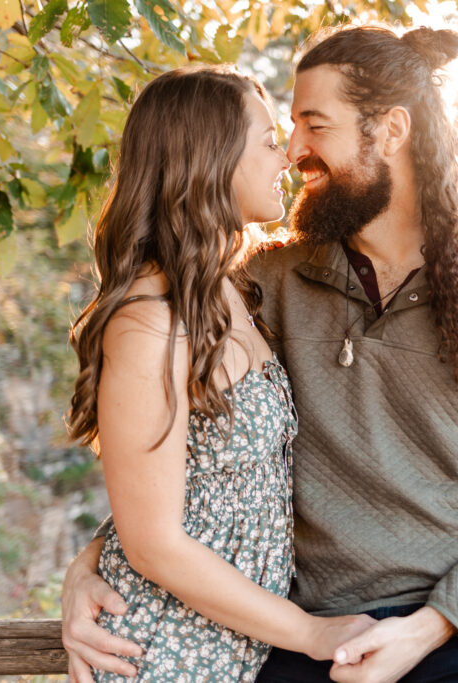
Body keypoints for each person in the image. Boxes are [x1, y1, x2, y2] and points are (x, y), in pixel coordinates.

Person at [62, 26, 458, 683]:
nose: (293, 151)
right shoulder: (265, 283)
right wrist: (93, 561)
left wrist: (434, 624)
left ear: (390, 132)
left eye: (313, 125)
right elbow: (191, 454)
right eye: (283, 130)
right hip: (307, 631)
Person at [64, 64, 376, 683]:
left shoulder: (233, 290)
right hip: (168, 653)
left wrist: (88, 558)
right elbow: (153, 541)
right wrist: (311, 632)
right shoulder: (149, 322)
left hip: (241, 647)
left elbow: (185, 480)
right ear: (208, 158)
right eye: (266, 141)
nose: (286, 156)